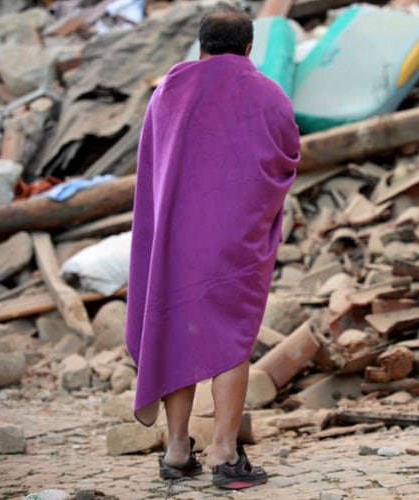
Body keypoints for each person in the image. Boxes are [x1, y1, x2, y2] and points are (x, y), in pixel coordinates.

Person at [124, 3, 300, 490]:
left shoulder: (168, 91)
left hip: (176, 238)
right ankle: (223, 451)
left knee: (177, 328)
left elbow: (152, 165)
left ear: (201, 47)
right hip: (233, 242)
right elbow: (287, 155)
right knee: (231, 337)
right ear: (249, 47)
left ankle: (178, 449)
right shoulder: (266, 92)